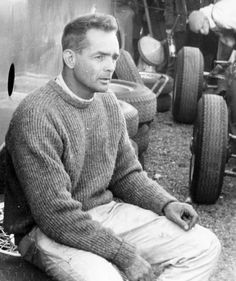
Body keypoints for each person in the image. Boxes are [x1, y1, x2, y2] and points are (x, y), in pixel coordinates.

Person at [3, 13, 221, 281]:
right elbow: (54, 214)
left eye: (114, 57)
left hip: (102, 215)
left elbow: (126, 173)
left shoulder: (107, 103)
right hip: (44, 232)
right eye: (99, 57)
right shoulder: (37, 115)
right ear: (70, 58)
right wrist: (124, 255)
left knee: (204, 246)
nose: (110, 67)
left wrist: (165, 203)